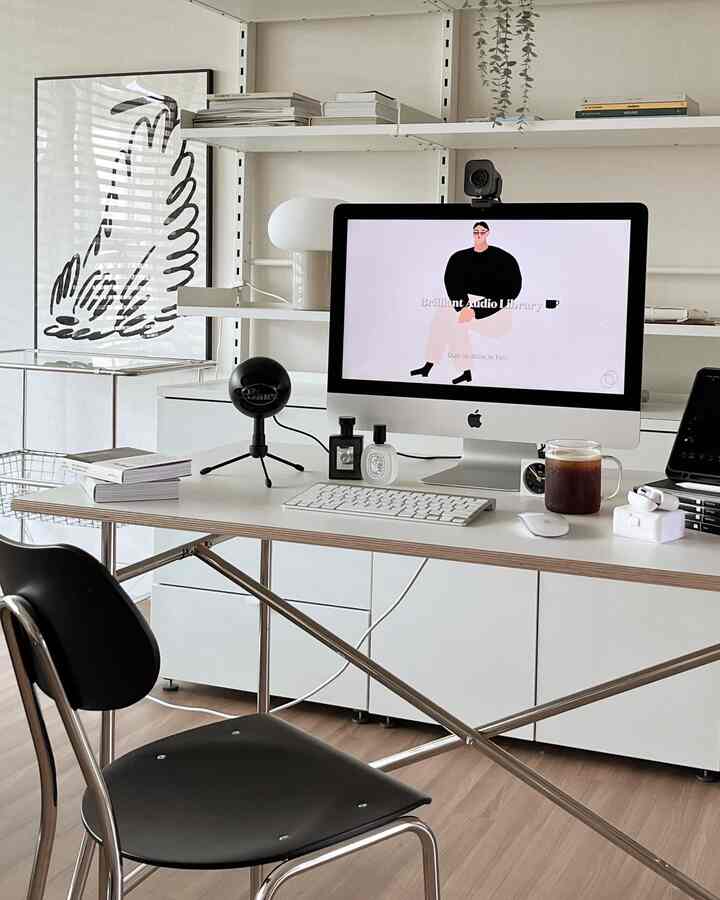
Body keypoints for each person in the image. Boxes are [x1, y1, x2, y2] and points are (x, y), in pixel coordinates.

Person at [411, 222, 522, 384]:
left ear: (487, 233)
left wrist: (477, 310)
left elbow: (511, 288)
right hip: (465, 305)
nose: (478, 235)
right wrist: (463, 307)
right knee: (445, 318)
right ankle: (431, 364)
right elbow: (451, 281)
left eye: (482, 232)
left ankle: (464, 370)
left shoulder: (503, 258)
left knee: (455, 323)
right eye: (475, 231)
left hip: (495, 310)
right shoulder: (459, 257)